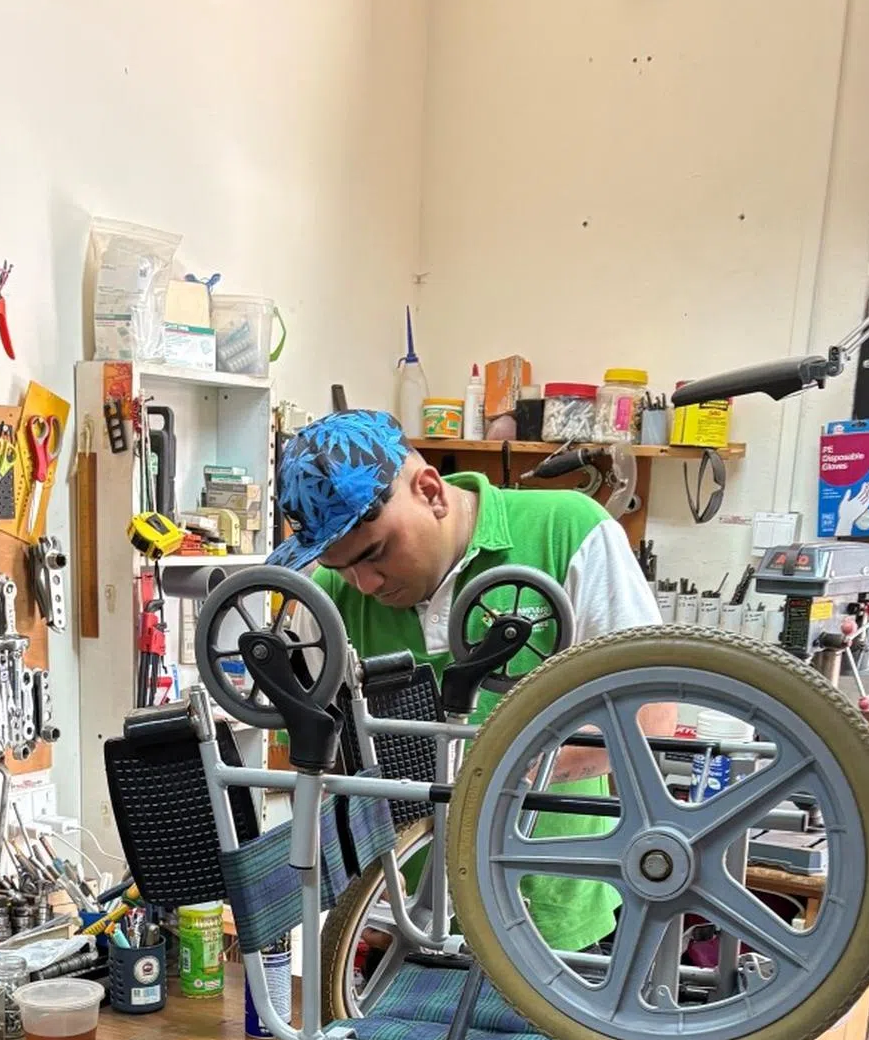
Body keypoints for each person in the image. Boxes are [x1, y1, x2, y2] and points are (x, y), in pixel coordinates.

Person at [267, 408, 672, 953]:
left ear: (430, 490)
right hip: (404, 924)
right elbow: (325, 767)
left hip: (557, 921)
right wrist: (361, 898)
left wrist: (490, 777)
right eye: (341, 568)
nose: (364, 583)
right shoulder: (328, 603)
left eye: (375, 553)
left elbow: (648, 719)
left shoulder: (568, 531)